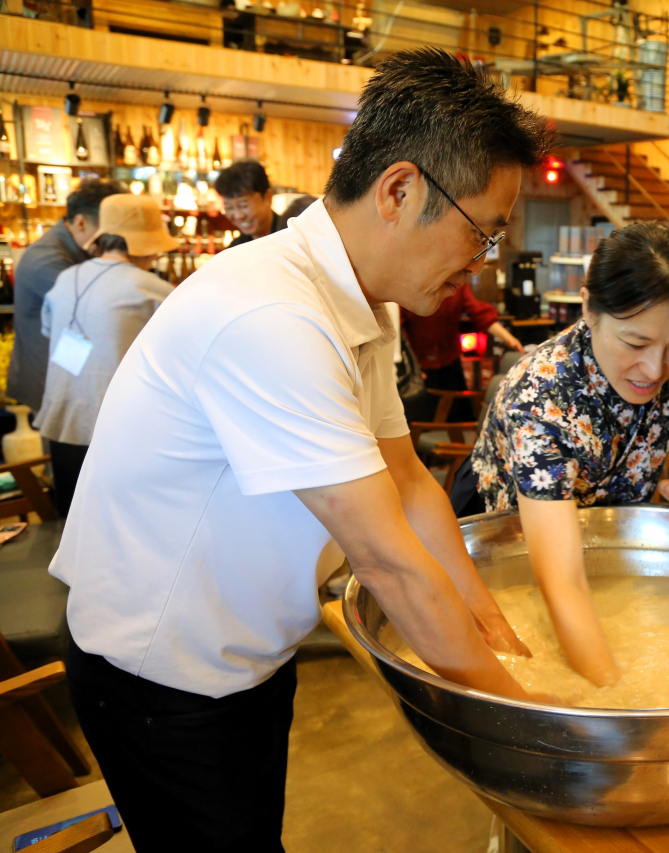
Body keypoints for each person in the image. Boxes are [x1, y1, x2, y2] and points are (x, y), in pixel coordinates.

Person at [51, 48, 553, 851]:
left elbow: (409, 481)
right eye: (482, 233)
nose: (480, 260)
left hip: (246, 650)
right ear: (400, 190)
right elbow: (387, 562)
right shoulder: (270, 315)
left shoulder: (362, 300)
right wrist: (532, 724)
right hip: (162, 670)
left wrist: (493, 624)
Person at [454, 221, 669, 687]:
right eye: (635, 343)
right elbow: (562, 583)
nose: (656, 368)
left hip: (608, 531)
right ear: (589, 308)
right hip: (512, 545)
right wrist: (618, 699)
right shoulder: (541, 401)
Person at [35, 194, 176, 518]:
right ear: (146, 243)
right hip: (119, 428)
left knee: (73, 522)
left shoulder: (66, 278)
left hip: (63, 421)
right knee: (120, 527)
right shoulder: (152, 289)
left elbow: (47, 330)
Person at [7, 179, 125, 410]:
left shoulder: (77, 250)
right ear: (81, 222)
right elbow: (100, 307)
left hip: (70, 377)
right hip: (48, 381)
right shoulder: (47, 260)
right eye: (109, 230)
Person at [401, 283, 524, 421]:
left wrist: (508, 338)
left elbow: (479, 313)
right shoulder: (409, 284)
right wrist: (412, 367)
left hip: (451, 362)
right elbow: (398, 332)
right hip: (418, 367)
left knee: (458, 416)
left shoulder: (456, 283)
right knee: (423, 419)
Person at [214, 159, 285, 246]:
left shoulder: (291, 237)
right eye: (229, 207)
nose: (238, 216)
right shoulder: (236, 248)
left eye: (243, 205)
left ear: (268, 197)